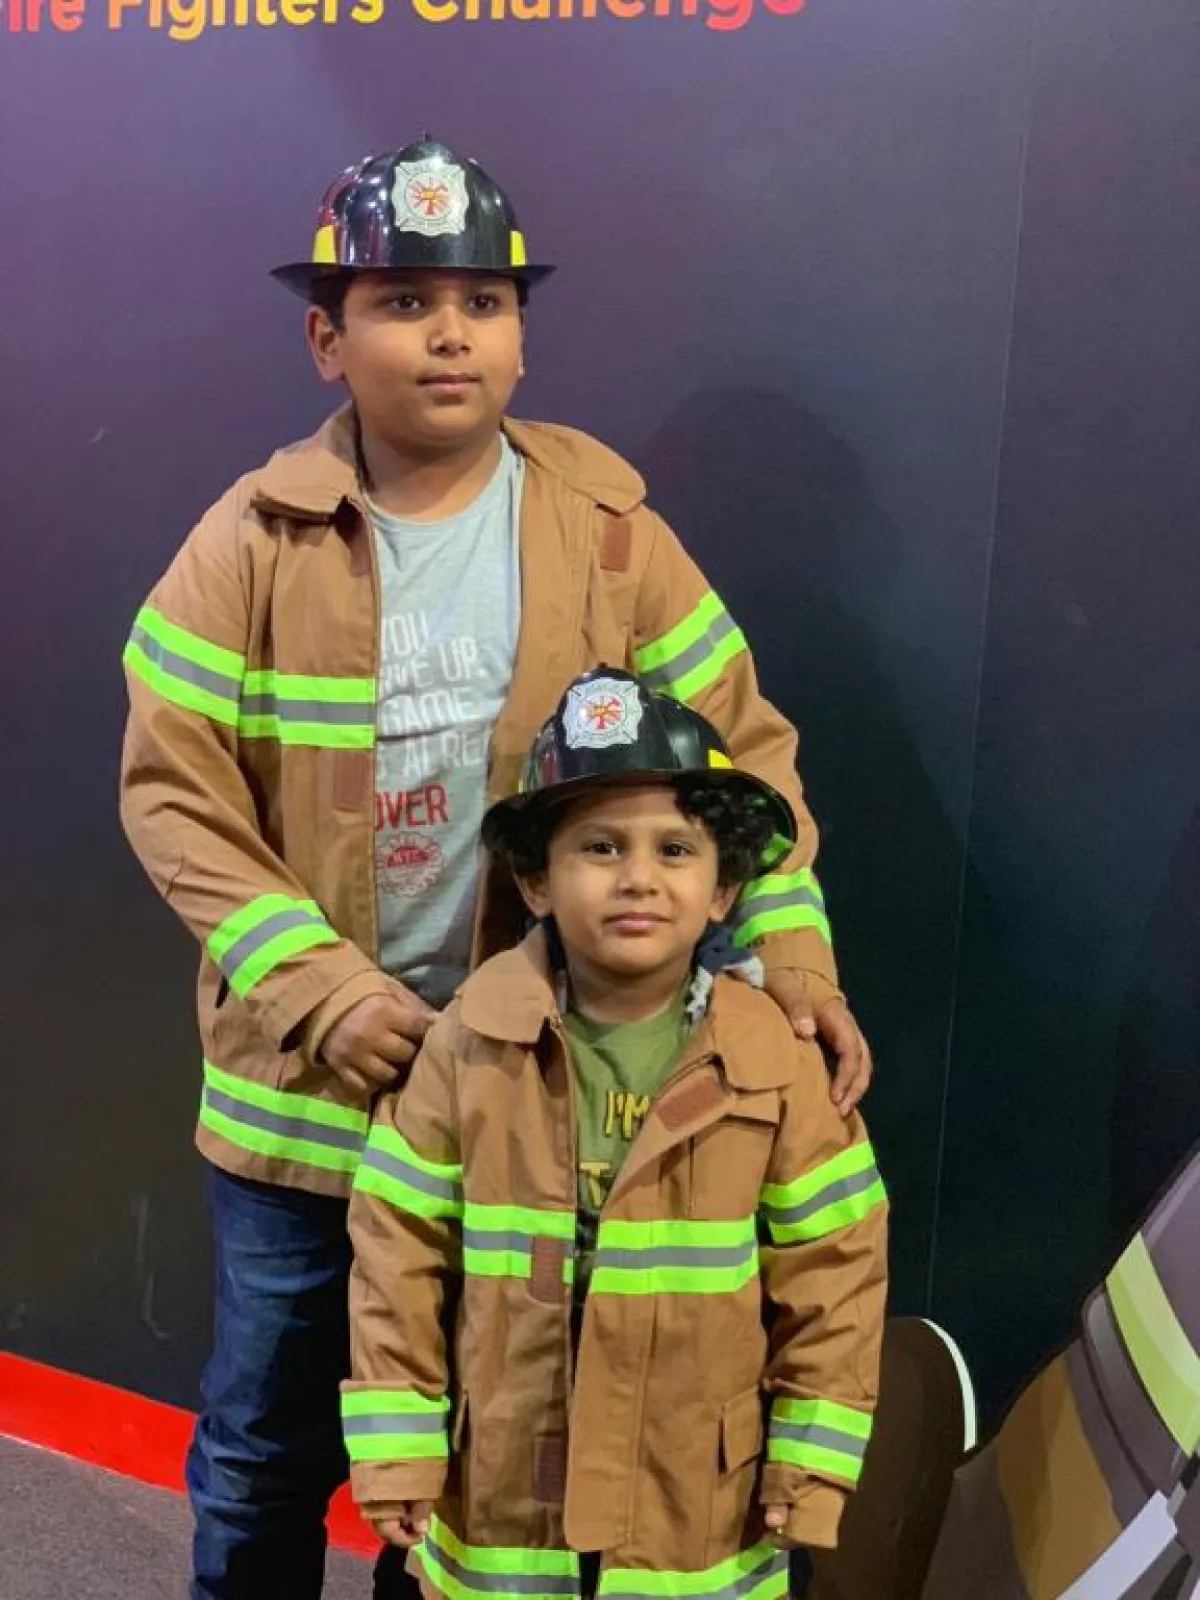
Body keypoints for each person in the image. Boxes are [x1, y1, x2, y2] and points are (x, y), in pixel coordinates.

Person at [119, 137, 872, 1600]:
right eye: (403, 302)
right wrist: (323, 992)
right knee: (268, 1441)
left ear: (523, 335)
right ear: (329, 340)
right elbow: (175, 793)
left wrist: (791, 958)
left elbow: (749, 758)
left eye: (484, 301)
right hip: (302, 1108)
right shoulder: (249, 544)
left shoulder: (610, 539)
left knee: (469, 1452)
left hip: (518, 1106)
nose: (450, 333)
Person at [342, 668, 889, 1600]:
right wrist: (396, 1448)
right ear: (536, 881)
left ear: (724, 889)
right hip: (507, 1497)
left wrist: (807, 1467)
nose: (638, 877)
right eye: (599, 847)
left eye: (675, 850)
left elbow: (836, 1273)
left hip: (696, 1512)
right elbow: (398, 1252)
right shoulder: (467, 1046)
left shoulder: (778, 1069)